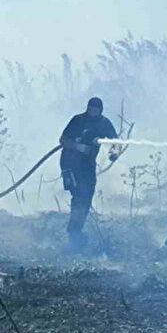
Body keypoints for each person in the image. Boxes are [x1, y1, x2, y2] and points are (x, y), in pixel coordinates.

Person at [59, 96, 119, 248]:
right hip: (70, 164)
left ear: (100, 110)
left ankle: (76, 230)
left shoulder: (103, 123)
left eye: (96, 109)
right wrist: (79, 147)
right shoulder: (78, 120)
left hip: (87, 165)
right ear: (87, 107)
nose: (93, 111)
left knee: (87, 194)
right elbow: (63, 140)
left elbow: (115, 140)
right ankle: (74, 232)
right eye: (91, 108)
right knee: (78, 194)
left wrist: (114, 152)